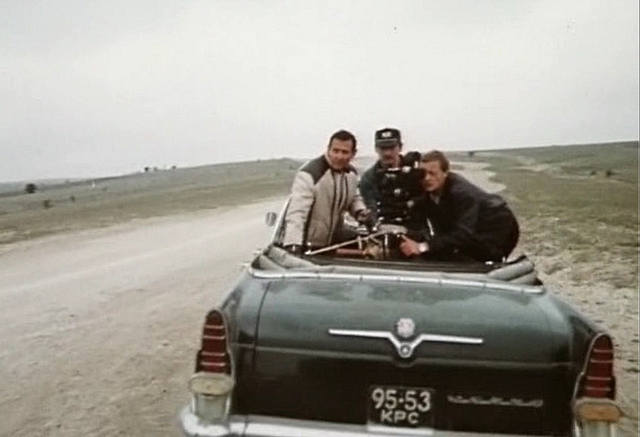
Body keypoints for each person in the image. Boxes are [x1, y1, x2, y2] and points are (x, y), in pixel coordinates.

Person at [400, 150, 519, 262]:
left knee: (468, 256)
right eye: (423, 174)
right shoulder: (430, 192)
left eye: (432, 173)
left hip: (497, 228)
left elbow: (463, 234)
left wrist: (422, 247)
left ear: (445, 173)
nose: (427, 178)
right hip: (472, 228)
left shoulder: (462, 193)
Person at [282, 130, 370, 254]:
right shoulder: (310, 174)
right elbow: (297, 212)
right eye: (335, 151)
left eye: (344, 152)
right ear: (328, 149)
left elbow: (354, 198)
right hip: (307, 246)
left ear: (353, 154)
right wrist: (293, 245)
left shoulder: (351, 174)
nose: (339, 156)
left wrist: (360, 211)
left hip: (333, 244)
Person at [359, 128, 423, 227]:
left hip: (415, 228)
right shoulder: (369, 178)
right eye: (383, 148)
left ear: (400, 147)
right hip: (383, 229)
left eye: (392, 148)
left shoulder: (416, 172)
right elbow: (371, 209)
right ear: (376, 149)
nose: (387, 153)